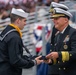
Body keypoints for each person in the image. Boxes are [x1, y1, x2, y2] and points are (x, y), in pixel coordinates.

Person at [0, 8, 43, 75]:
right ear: (18, 21)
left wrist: (32, 58)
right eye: (24, 21)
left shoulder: (6, 31)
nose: (25, 23)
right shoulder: (14, 37)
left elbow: (13, 56)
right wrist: (33, 62)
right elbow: (15, 61)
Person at [44, 5, 76, 75]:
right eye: (53, 18)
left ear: (66, 20)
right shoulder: (57, 35)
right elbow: (58, 58)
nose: (54, 20)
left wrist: (58, 54)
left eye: (57, 18)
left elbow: (75, 53)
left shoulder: (73, 33)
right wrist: (51, 60)